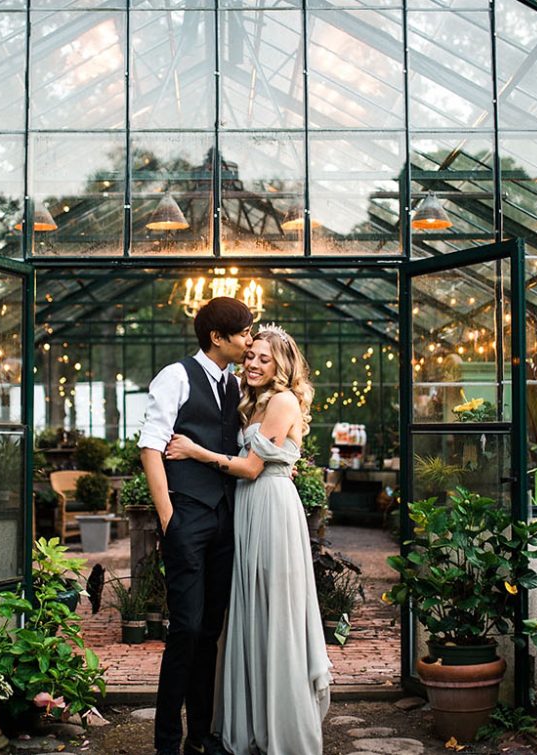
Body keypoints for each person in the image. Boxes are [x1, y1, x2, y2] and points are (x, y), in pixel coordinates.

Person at [165, 324, 332, 755]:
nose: (253, 363)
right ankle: (250, 718)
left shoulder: (281, 400)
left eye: (264, 358)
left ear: (282, 363)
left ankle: (282, 724)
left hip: (272, 509)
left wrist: (194, 451)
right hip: (246, 509)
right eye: (251, 355)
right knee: (250, 612)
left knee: (274, 612)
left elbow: (252, 467)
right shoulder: (249, 402)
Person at [138, 297, 255, 755]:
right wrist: (170, 520)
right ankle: (167, 741)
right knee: (184, 629)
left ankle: (200, 738)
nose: (249, 340)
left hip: (225, 521)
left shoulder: (232, 384)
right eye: (244, 332)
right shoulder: (175, 376)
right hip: (187, 519)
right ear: (217, 338)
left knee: (210, 631)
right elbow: (151, 448)